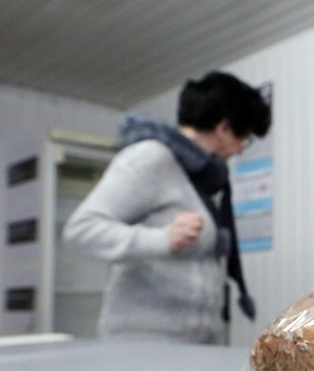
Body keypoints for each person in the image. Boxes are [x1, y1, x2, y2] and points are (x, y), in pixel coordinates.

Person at [63, 71, 271, 343]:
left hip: (194, 345)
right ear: (223, 128)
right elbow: (80, 231)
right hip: (143, 347)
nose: (241, 149)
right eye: (243, 137)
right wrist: (161, 239)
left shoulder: (206, 178)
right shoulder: (151, 158)